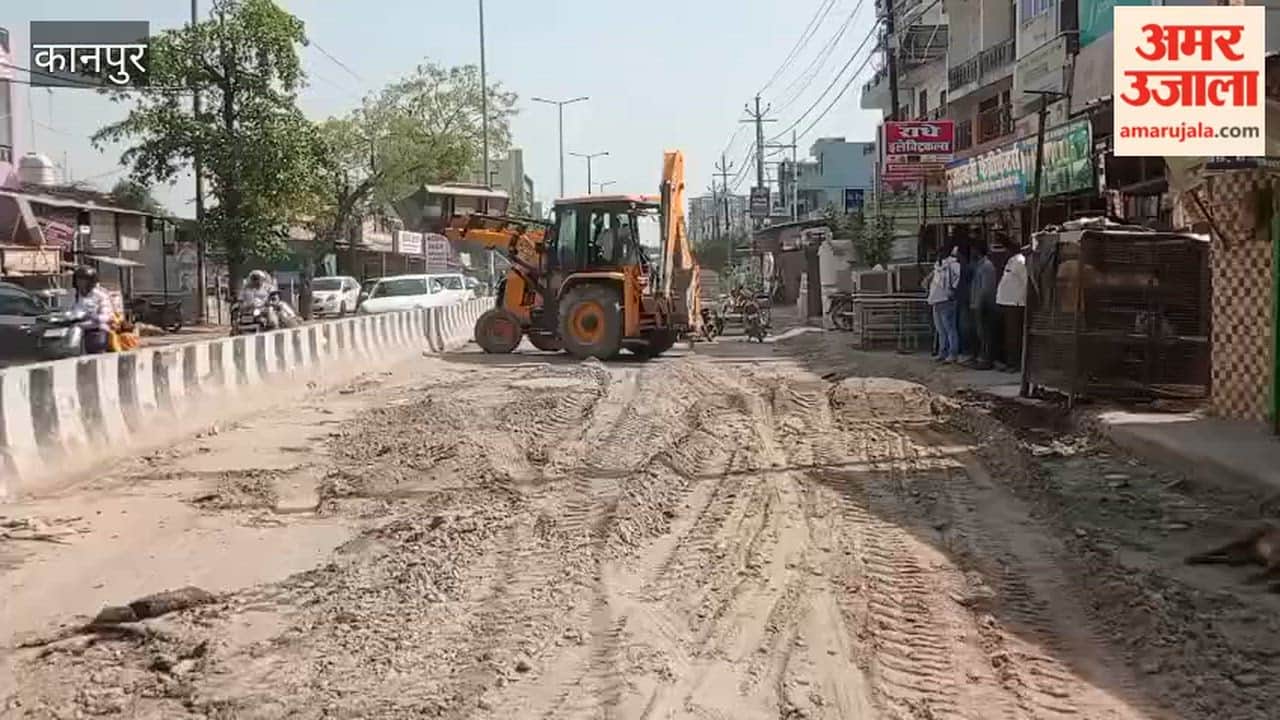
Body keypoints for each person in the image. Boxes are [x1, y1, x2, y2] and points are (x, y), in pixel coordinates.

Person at [925, 246, 961, 363]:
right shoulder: (938, 266)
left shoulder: (953, 265)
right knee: (941, 329)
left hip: (946, 300)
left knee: (950, 328)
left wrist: (953, 291)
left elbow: (958, 279)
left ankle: (952, 353)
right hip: (936, 300)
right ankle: (943, 352)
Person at [996, 244, 1029, 373]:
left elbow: (1026, 282)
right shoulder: (1011, 261)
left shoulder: (1020, 261)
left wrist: (1022, 299)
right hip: (1006, 303)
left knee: (1014, 336)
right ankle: (1009, 362)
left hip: (1015, 304)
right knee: (1008, 336)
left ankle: (1015, 364)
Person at [71, 265, 115, 355]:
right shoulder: (74, 294)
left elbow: (108, 316)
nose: (80, 282)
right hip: (76, 331)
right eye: (78, 279)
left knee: (93, 361)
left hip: (95, 332)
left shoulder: (100, 295)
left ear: (91, 281)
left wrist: (93, 316)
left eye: (84, 280)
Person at [968, 244, 999, 370]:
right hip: (977, 303)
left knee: (985, 334)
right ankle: (981, 358)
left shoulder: (987, 266)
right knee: (980, 333)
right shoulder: (979, 265)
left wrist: (980, 304)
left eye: (973, 251)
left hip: (984, 305)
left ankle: (987, 360)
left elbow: (987, 288)